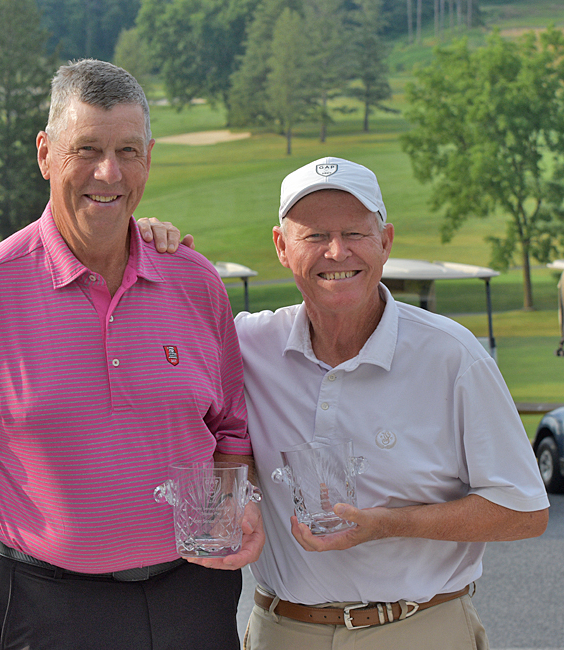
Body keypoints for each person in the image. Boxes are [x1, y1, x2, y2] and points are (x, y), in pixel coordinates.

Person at [0, 59, 264, 650]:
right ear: (45, 154)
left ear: (149, 157)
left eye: (128, 151)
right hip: (49, 610)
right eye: (86, 148)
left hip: (195, 601)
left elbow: (230, 436)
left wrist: (236, 502)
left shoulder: (196, 283)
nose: (109, 172)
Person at [139, 156, 549, 650]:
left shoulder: (452, 355)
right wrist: (140, 244)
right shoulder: (245, 344)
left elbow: (524, 511)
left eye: (355, 233)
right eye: (313, 236)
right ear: (281, 248)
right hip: (282, 632)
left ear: (386, 243)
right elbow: (155, 343)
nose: (337, 252)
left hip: (420, 630)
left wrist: (385, 525)